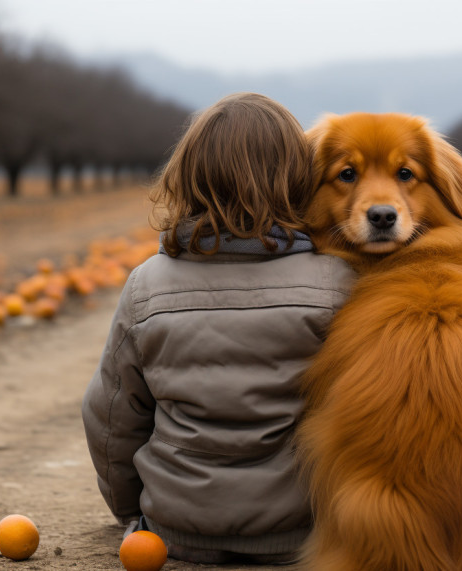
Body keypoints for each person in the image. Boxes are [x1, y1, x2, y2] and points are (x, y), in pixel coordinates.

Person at [81, 92, 353, 564]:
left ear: (187, 177)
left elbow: (110, 419)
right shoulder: (339, 284)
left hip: (177, 531)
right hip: (303, 534)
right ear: (299, 180)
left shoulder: (147, 285)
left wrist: (135, 514)